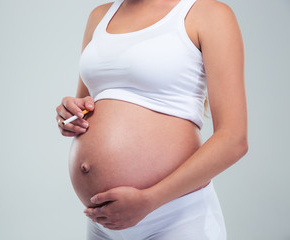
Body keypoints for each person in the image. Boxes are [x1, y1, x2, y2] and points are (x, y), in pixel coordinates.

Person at [56, 0, 247, 238]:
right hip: (103, 224)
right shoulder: (100, 16)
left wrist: (149, 200)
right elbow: (85, 103)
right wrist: (69, 115)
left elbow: (234, 139)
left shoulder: (208, 14)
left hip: (176, 216)